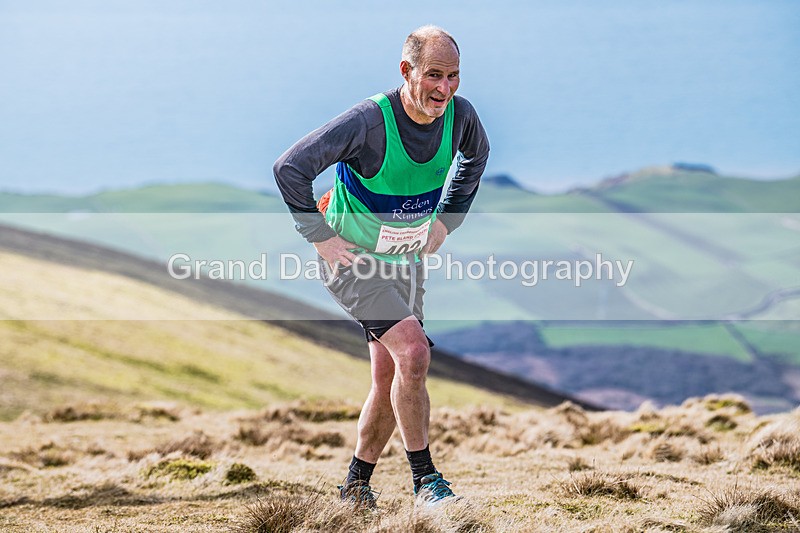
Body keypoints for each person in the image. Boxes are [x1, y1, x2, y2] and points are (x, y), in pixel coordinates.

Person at [273, 25, 489, 509]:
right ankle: (427, 484)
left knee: (390, 378)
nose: (444, 88)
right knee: (414, 353)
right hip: (354, 262)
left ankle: (355, 487)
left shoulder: (461, 117)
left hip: (406, 261)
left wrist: (446, 222)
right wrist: (320, 237)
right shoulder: (368, 123)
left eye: (454, 76)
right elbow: (290, 168)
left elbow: (477, 156)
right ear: (405, 70)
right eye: (433, 75)